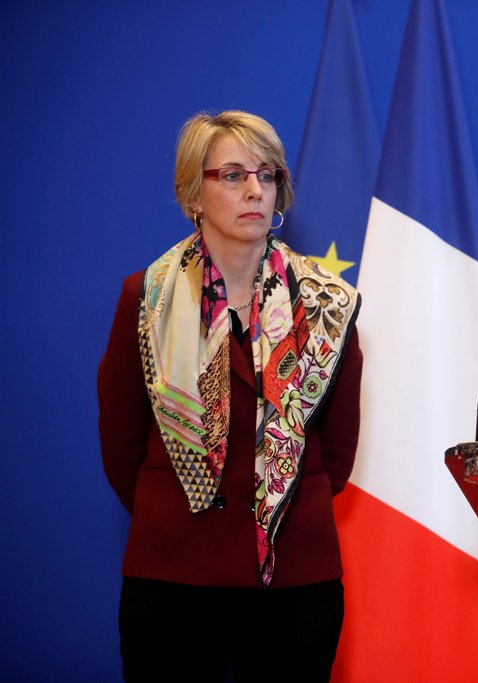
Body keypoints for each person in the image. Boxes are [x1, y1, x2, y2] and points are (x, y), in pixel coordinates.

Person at [98, 110, 362, 682]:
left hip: (295, 579)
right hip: (174, 573)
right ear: (194, 190)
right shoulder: (147, 297)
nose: (254, 191)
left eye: (267, 176)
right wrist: (183, 510)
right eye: (234, 175)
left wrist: (274, 501)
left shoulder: (328, 305)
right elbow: (121, 446)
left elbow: (336, 452)